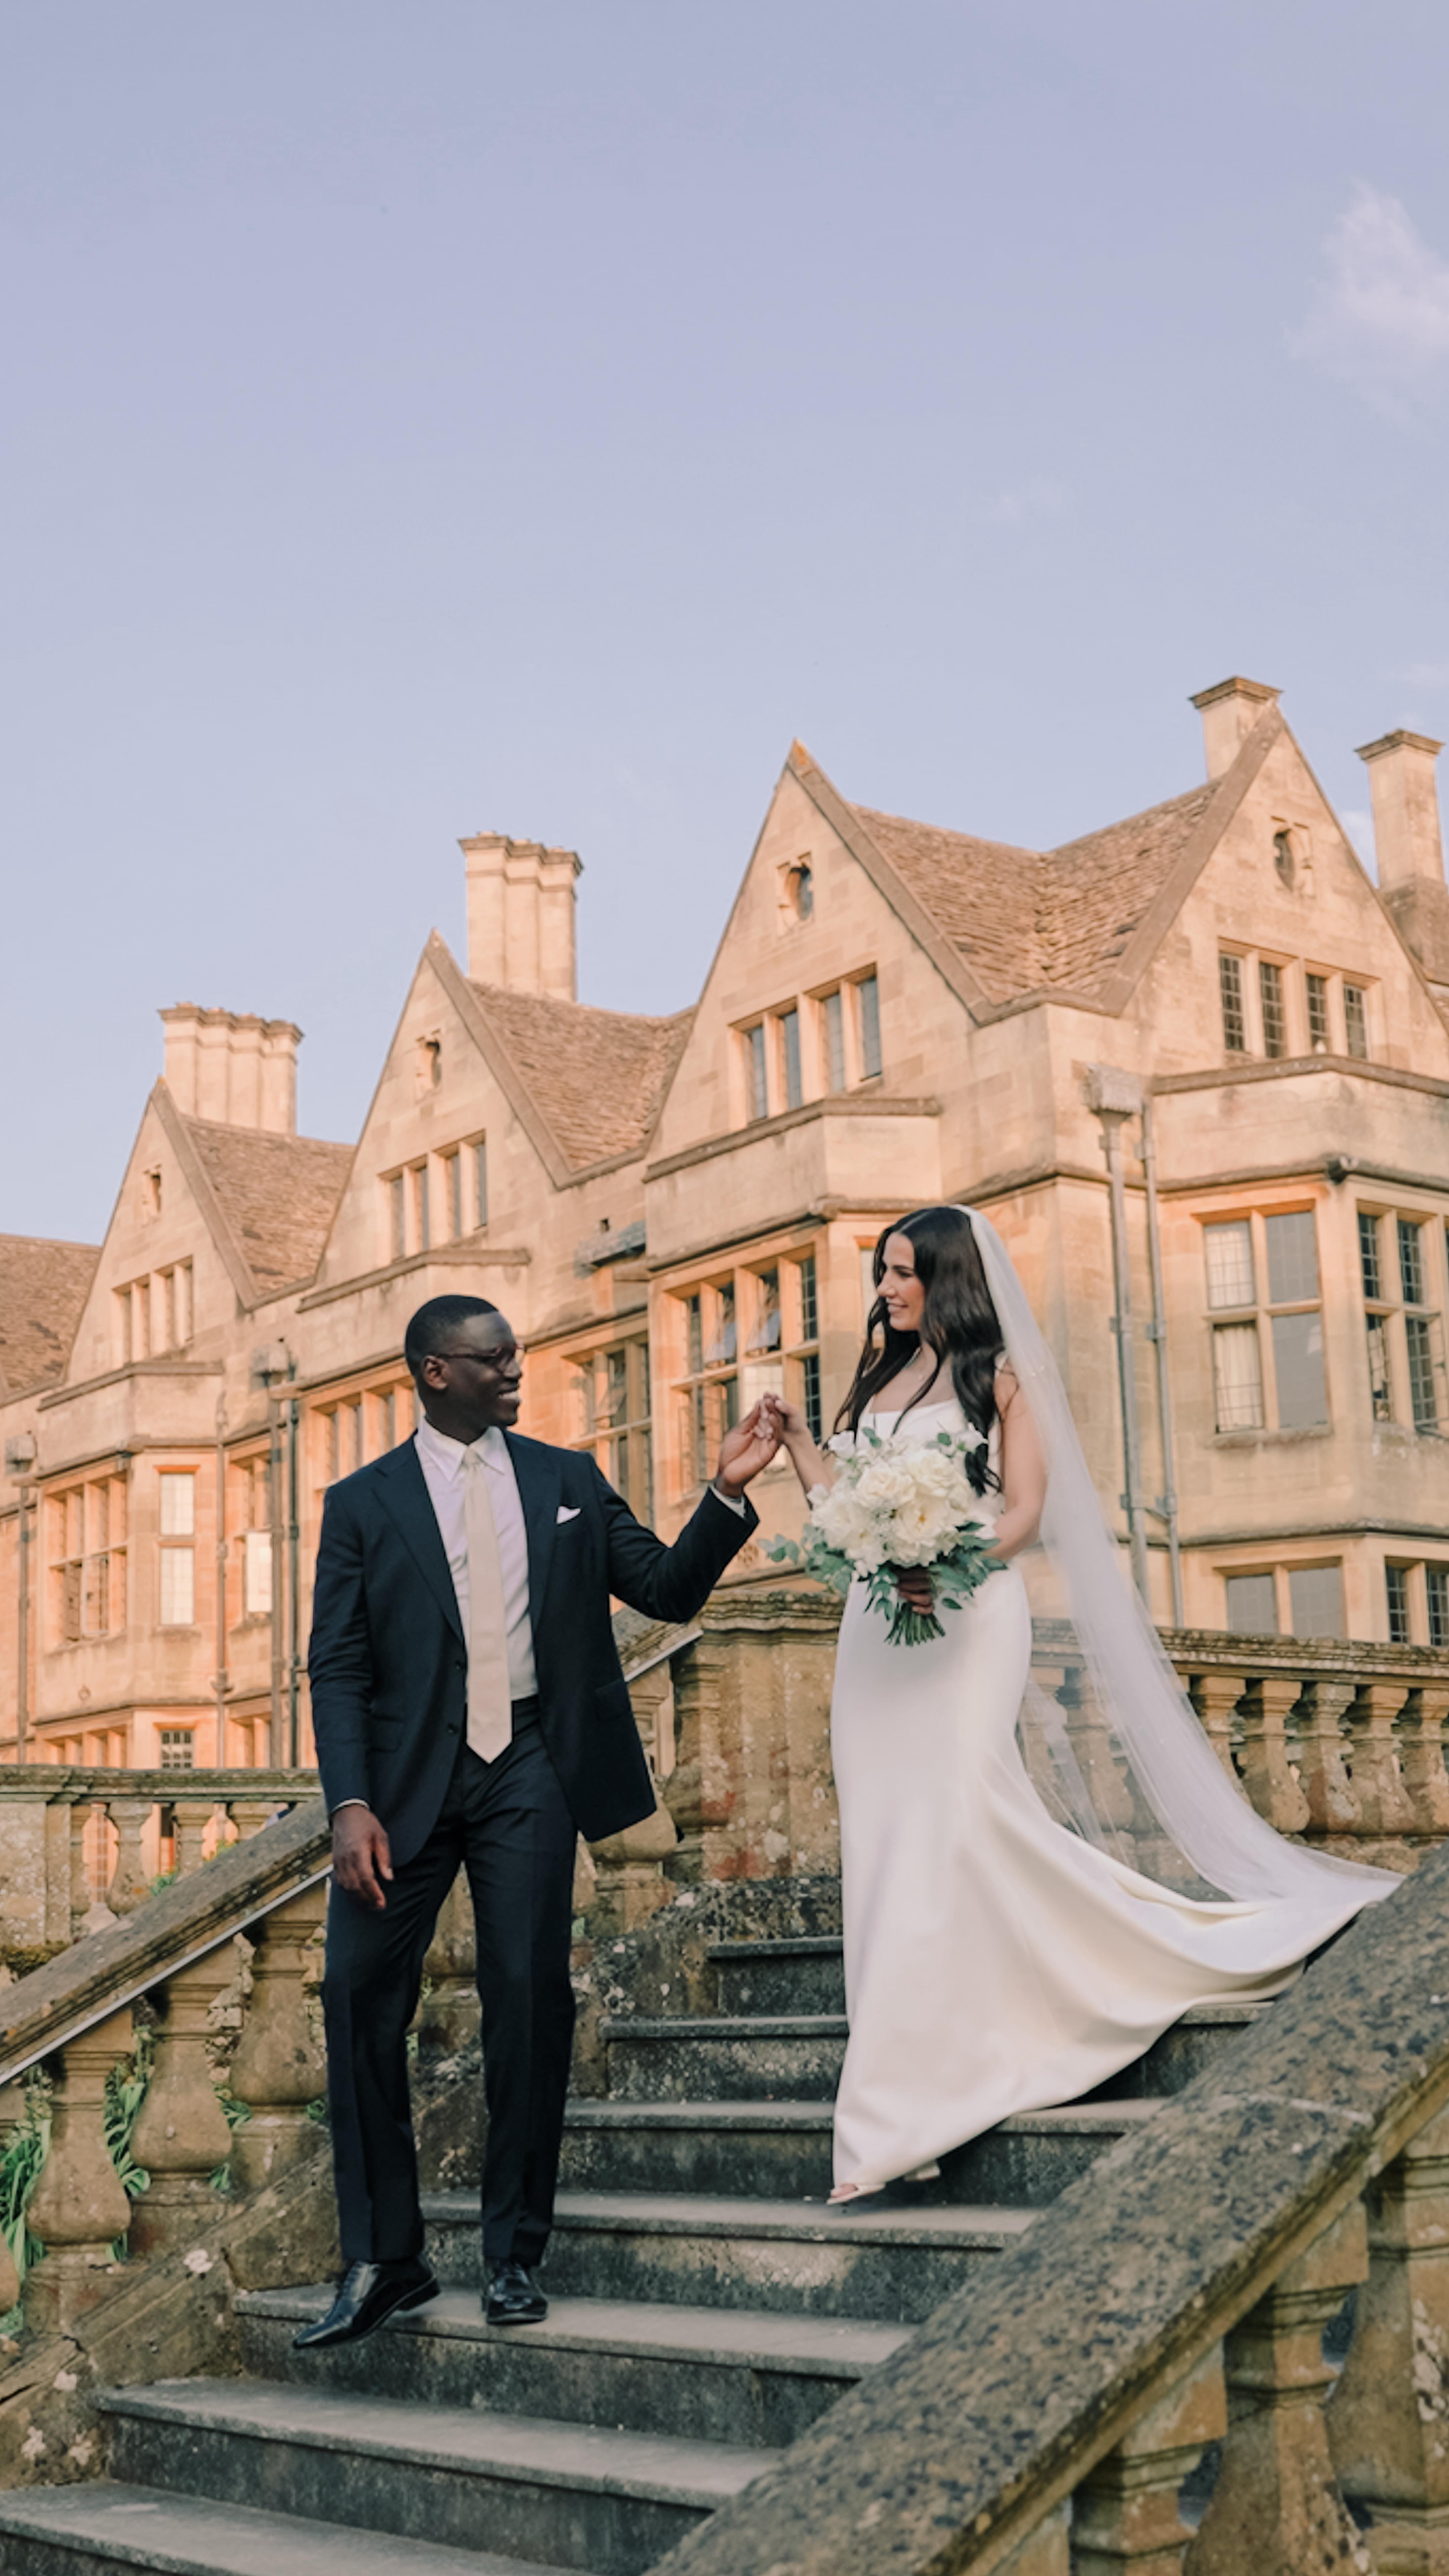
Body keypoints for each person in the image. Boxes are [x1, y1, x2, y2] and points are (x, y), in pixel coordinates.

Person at [767, 1205, 1397, 2205]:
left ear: (948, 1277)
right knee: (888, 1843)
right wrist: (807, 1446)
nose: (884, 1289)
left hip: (968, 1616)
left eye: (901, 1272)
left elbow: (1022, 1513)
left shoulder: (1002, 1377)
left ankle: (913, 2099)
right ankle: (910, 2085)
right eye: (881, 1272)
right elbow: (841, 1507)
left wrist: (941, 1556)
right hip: (877, 1637)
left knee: (961, 1814)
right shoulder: (878, 1377)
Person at [302, 1293, 779, 2344]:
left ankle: (514, 2257)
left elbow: (664, 1590)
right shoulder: (362, 1503)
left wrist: (726, 1494)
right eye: (493, 1357)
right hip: (403, 1786)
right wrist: (349, 1803)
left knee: (528, 2000)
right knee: (356, 1996)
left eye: (516, 1353)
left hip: (530, 1766)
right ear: (435, 1372)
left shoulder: (567, 1480)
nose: (516, 1369)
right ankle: (385, 2258)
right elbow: (336, 1664)